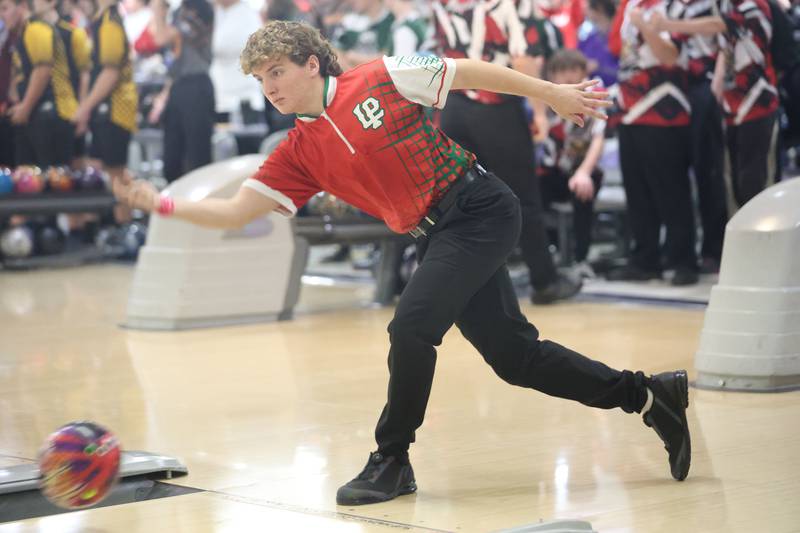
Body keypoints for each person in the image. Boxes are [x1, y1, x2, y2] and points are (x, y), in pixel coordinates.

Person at [116, 20, 692, 506]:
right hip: (437, 234)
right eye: (260, 79)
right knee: (517, 359)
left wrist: (551, 93)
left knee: (412, 324)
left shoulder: (381, 76)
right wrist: (161, 203)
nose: (269, 87)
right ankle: (648, 396)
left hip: (479, 207)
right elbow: (237, 211)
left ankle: (391, 459)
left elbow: (467, 70)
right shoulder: (296, 150)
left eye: (276, 72)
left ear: (312, 64)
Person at [433, 0, 580, 304]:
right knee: (522, 198)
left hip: (452, 107)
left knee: (463, 200)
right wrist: (540, 112)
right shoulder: (510, 4)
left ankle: (464, 284)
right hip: (496, 106)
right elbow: (523, 56)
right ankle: (545, 281)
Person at [538, 49, 605, 275]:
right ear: (552, 75)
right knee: (531, 191)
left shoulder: (594, 98)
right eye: (562, 71)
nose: (568, 76)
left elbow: (599, 138)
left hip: (584, 168)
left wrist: (584, 172)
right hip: (556, 169)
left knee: (582, 191)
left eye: (574, 70)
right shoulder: (543, 101)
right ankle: (549, 251)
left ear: (583, 73)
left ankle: (581, 259)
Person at [8, 0, 78, 167]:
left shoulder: (35, 29)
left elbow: (42, 71)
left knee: (52, 179)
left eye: (4, 9)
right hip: (39, 111)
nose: (1, 16)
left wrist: (25, 107)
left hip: (53, 111)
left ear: (22, 7)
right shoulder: (23, 31)